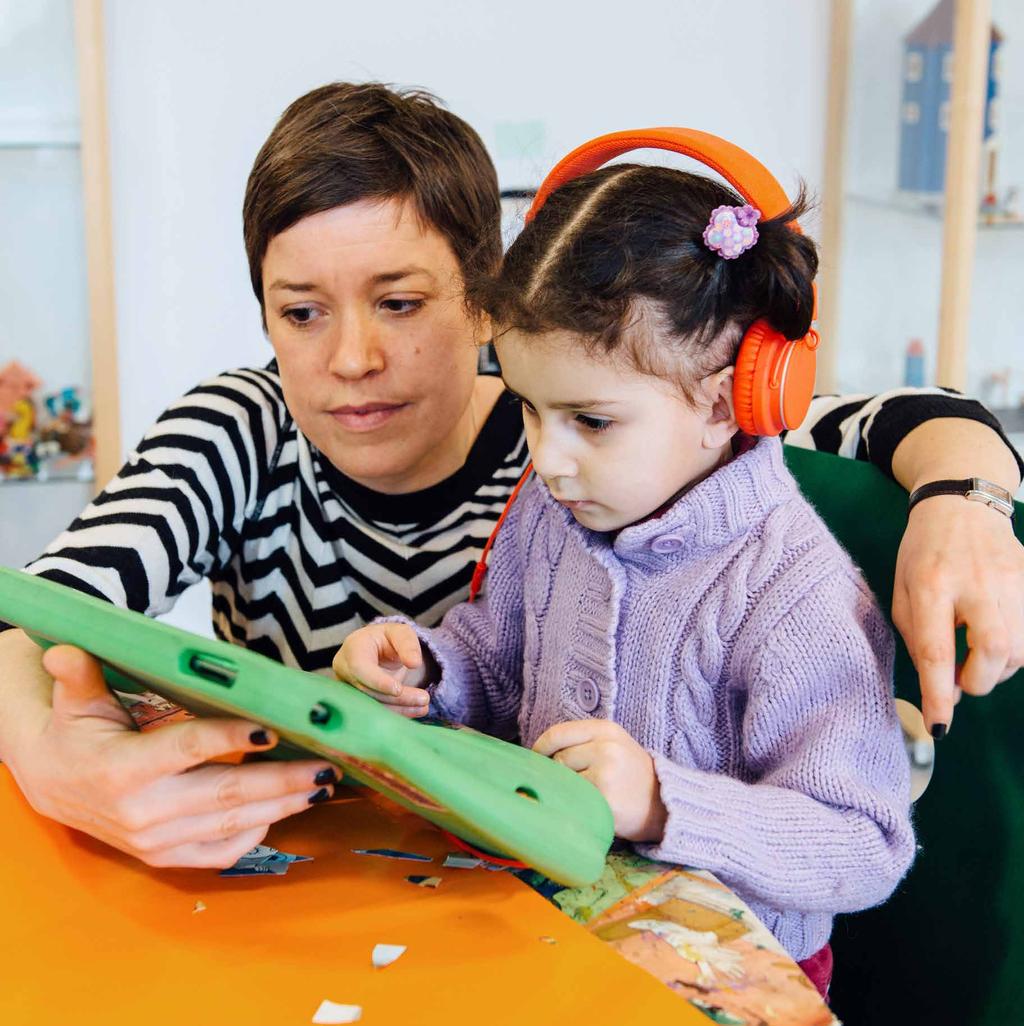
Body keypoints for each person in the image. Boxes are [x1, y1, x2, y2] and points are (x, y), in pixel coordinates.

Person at [0, 83, 1019, 872]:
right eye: (300, 311)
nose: (350, 358)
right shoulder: (242, 423)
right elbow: (28, 618)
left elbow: (871, 418)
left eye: (399, 302)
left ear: (486, 300)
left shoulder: (590, 432)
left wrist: (964, 498)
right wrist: (57, 770)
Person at [332, 157, 915, 989]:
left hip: (725, 970)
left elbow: (864, 844)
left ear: (725, 404)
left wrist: (659, 803)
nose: (547, 457)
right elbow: (499, 663)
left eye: (591, 421)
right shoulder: (553, 508)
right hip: (547, 925)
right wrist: (429, 668)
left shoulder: (799, 596)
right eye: (531, 408)